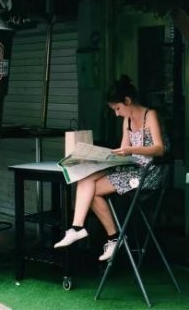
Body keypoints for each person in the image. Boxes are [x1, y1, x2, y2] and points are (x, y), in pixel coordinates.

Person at [53, 75, 167, 261]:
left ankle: (114, 238)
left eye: (117, 108)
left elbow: (159, 149)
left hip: (149, 173)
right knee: (86, 177)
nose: (117, 113)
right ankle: (77, 227)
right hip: (131, 168)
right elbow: (124, 153)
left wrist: (130, 150)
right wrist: (104, 158)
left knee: (91, 192)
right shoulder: (127, 121)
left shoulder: (150, 115)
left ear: (127, 101)